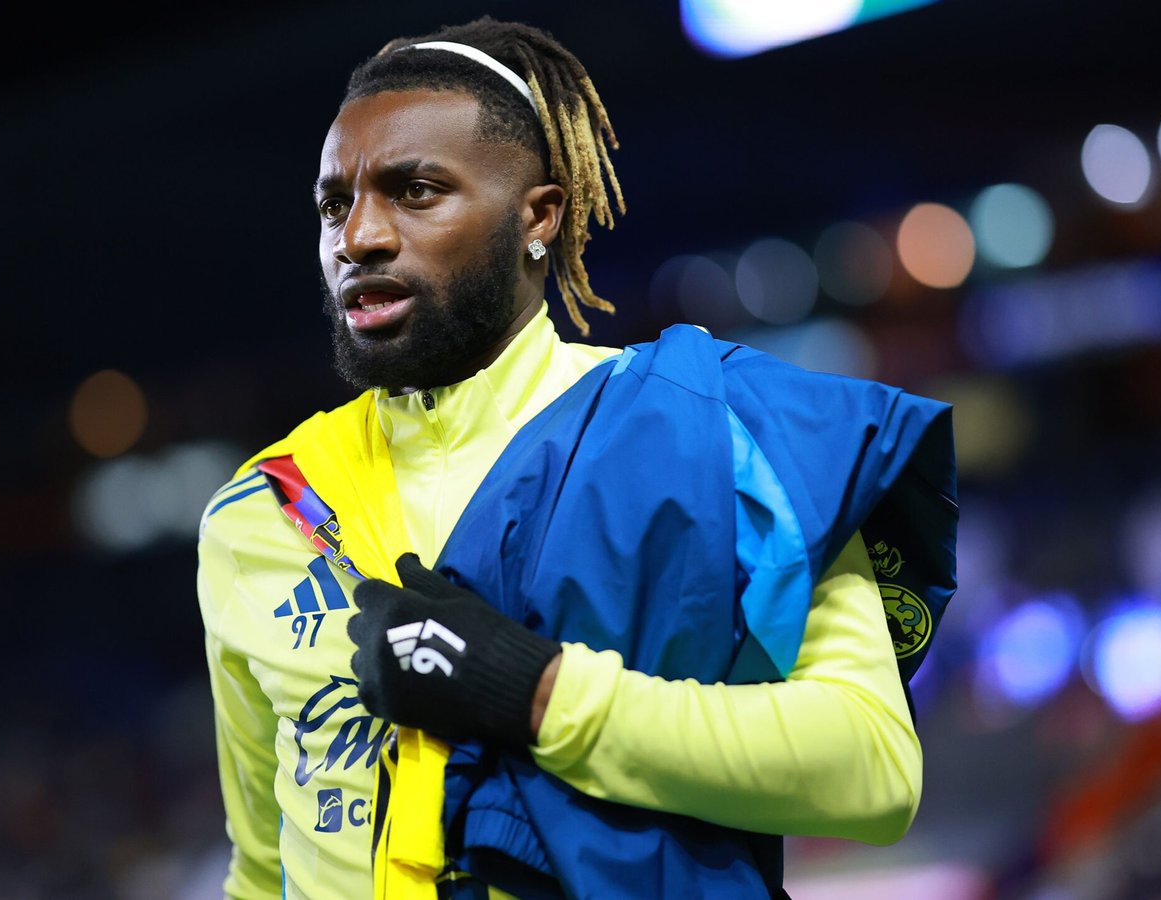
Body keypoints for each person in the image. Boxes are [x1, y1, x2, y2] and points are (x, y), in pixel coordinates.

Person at [197, 17, 956, 900]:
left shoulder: (711, 433)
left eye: (415, 190)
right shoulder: (260, 512)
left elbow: (872, 769)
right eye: (335, 202)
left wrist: (536, 693)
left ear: (539, 217)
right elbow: (262, 868)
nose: (357, 236)